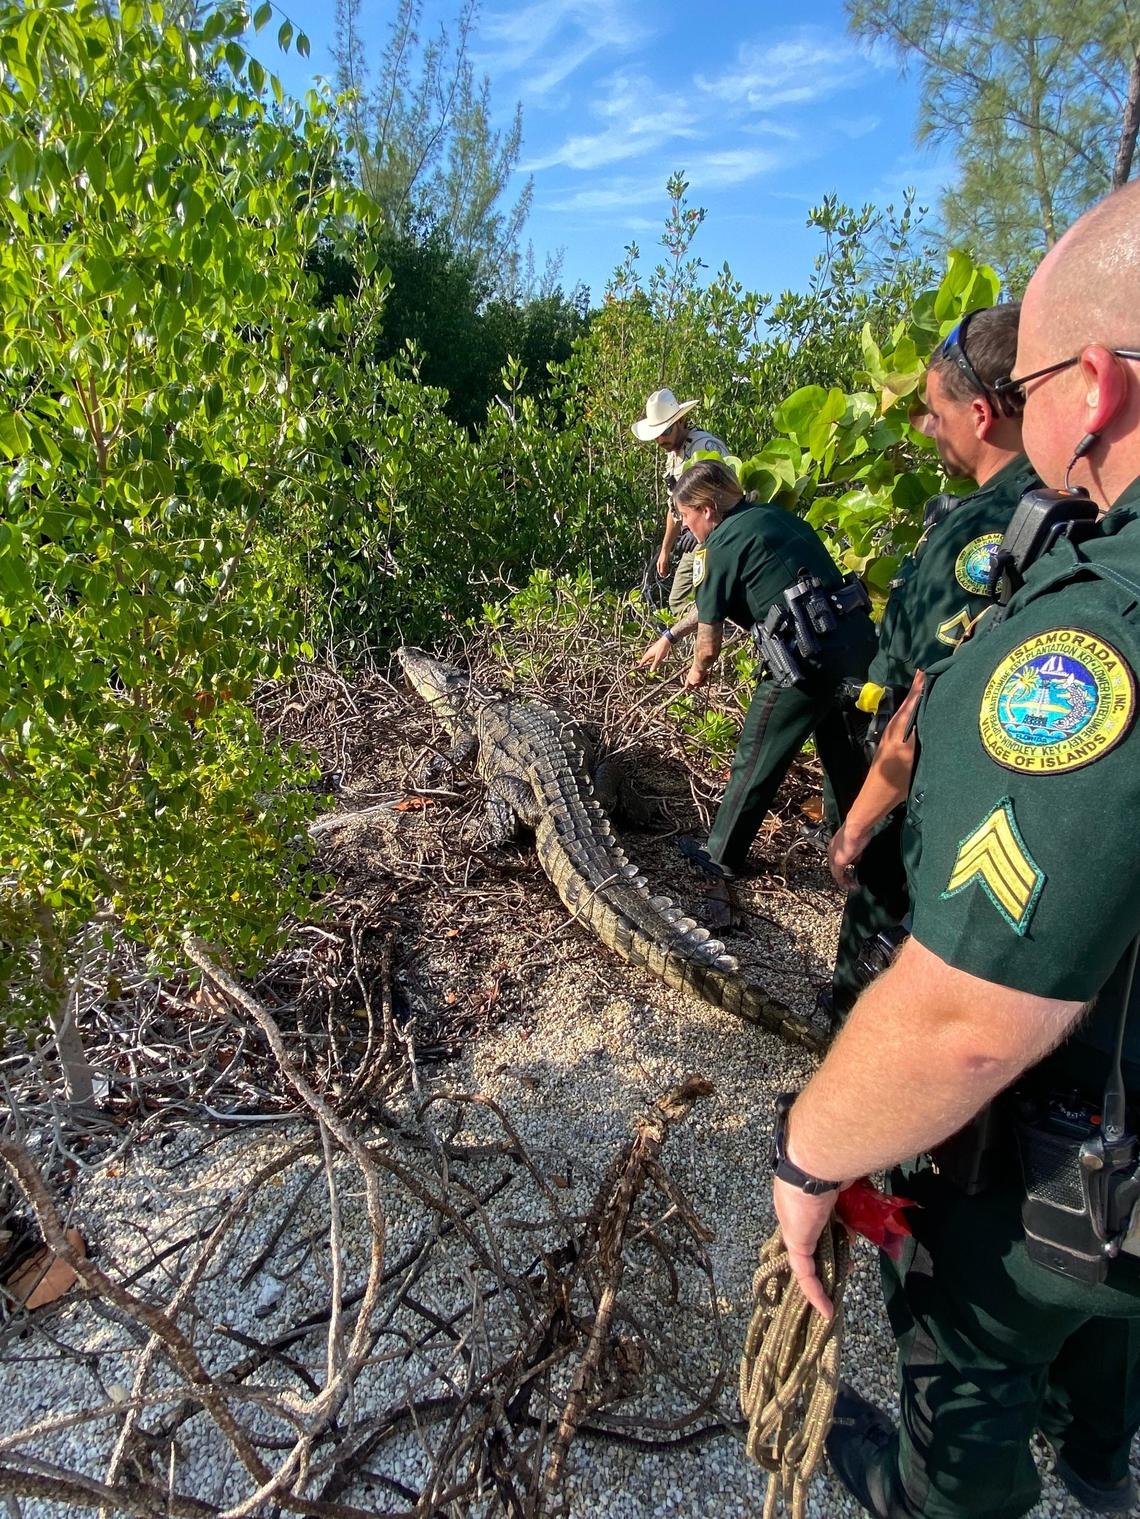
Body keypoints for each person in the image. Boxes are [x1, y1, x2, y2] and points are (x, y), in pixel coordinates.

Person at [769, 180, 1140, 1519]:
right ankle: (1103, 1456)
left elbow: (970, 1020)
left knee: (976, 1339)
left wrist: (813, 1151)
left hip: (1063, 1135)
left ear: (1086, 386)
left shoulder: (1087, 627)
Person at [824, 305, 1041, 1019]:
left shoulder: (981, 537)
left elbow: (925, 705)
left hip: (938, 805)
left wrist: (857, 825)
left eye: (935, 410)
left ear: (981, 414)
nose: (924, 425)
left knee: (884, 963)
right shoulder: (1066, 500)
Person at [637, 462, 876, 902]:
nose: (685, 526)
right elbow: (719, 602)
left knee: (757, 752)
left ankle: (722, 854)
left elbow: (710, 641)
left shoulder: (721, 544)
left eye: (685, 515)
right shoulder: (774, 518)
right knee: (841, 747)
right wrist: (670, 636)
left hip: (806, 661)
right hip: (857, 645)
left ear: (706, 509)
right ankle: (849, 840)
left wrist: (696, 674)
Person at [630, 388, 731, 613]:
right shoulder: (673, 456)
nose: (660, 439)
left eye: (665, 431)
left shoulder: (705, 447)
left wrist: (701, 529)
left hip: (716, 535)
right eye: (656, 434)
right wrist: (665, 550)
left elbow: (727, 494)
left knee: (687, 599)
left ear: (682, 421)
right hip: (694, 535)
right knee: (679, 602)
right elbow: (674, 509)